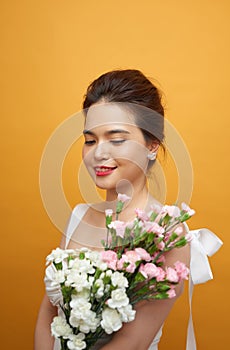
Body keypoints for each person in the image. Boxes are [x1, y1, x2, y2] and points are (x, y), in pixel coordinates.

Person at [34, 69, 218, 350]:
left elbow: (133, 341)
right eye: (90, 140)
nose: (98, 153)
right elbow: (49, 312)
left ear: (152, 144)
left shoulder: (168, 232)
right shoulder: (78, 216)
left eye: (116, 139)